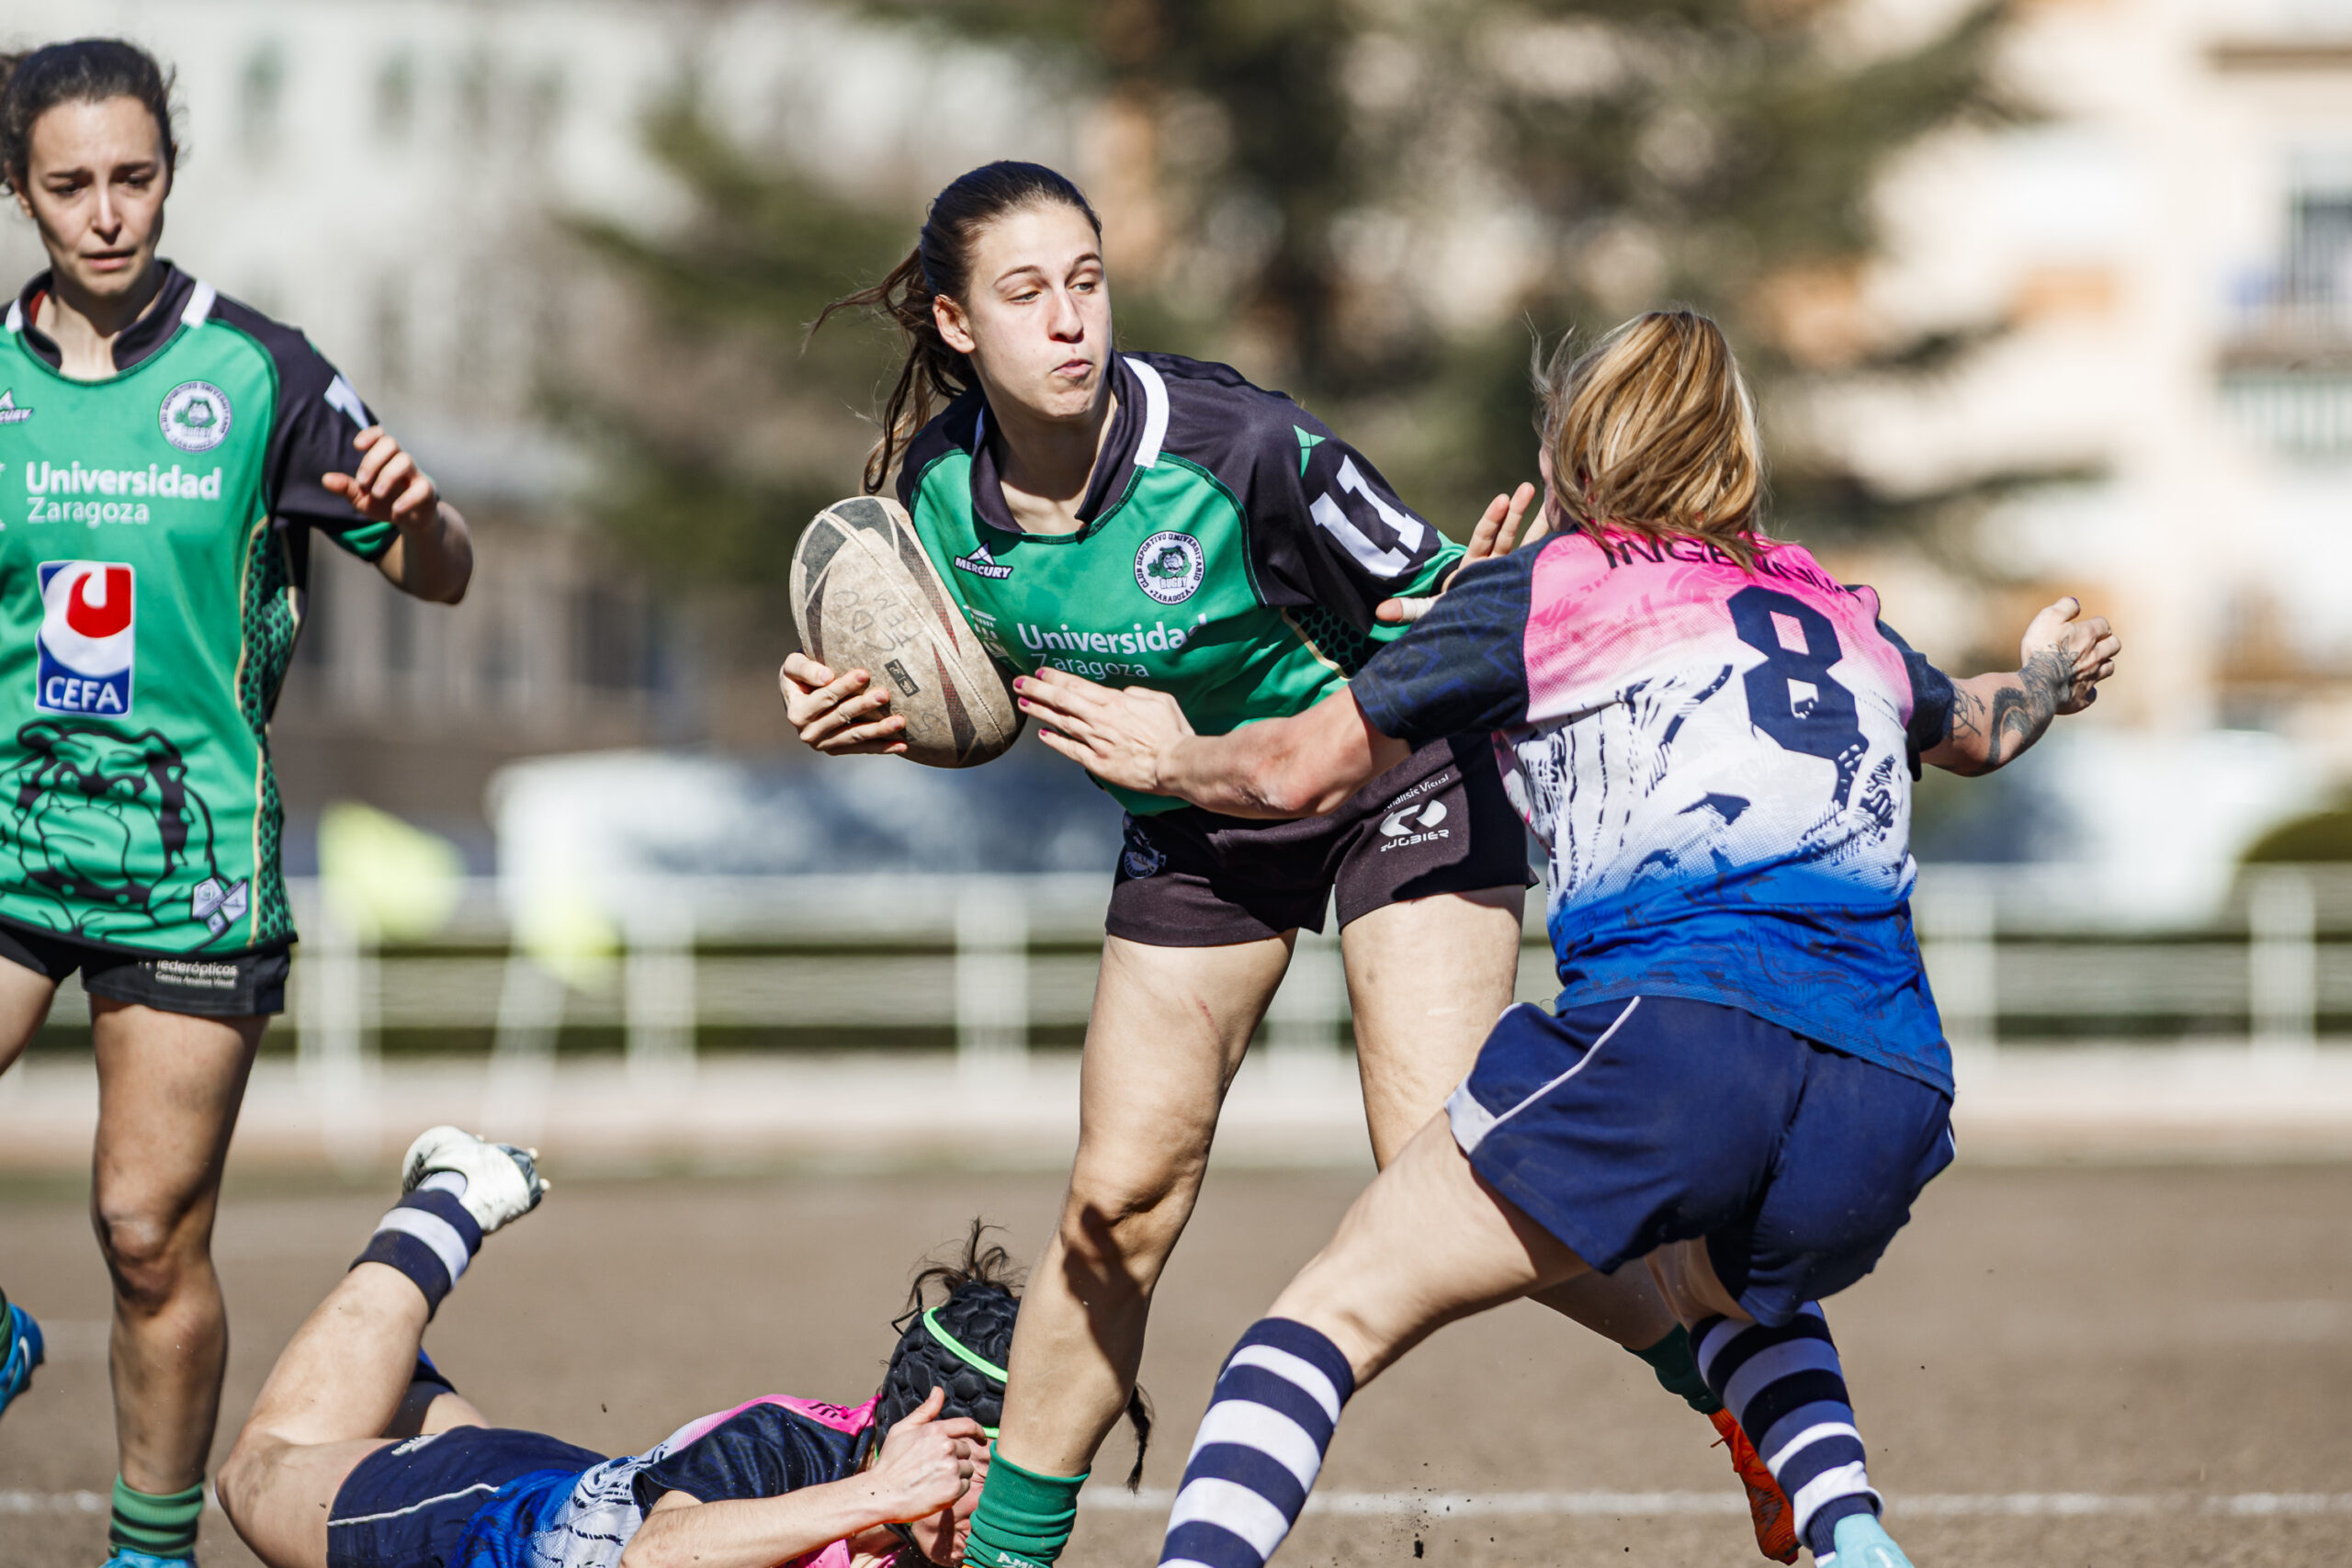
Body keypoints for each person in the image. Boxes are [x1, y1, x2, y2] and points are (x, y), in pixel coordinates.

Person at [790, 163, 1813, 1567]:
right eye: (1027, 294)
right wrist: (889, 723)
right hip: (1203, 816)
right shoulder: (938, 504)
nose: (1072, 320)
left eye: (1088, 280)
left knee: (1448, 1162)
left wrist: (1473, 597)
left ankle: (1731, 1363)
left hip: (1394, 773)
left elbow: (1447, 606)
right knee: (1117, 1196)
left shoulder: (1239, 443)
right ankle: (1009, 1555)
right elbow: (991, 699)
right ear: (959, 325)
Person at [1013, 310, 2122, 1568]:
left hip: (1687, 1037)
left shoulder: (1551, 586)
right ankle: (1853, 1531)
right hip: (1894, 1092)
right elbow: (1977, 723)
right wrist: (2047, 677)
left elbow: (1297, 771)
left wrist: (1173, 753)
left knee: (1318, 1319)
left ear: (1577, 456)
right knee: (1725, 1287)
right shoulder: (1833, 603)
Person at [0, 38, 473, 1568]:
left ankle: (148, 1549)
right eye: (69, 184)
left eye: (132, 177)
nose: (106, 212)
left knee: (147, 1238)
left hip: (186, 864)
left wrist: (418, 518)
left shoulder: (257, 371)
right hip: (9, 839)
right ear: (21, 192)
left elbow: (443, 573)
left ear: (169, 177)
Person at [214, 1125, 1114, 1568]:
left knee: (379, 1393)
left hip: (556, 1478)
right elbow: (654, 1557)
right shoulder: (791, 1443)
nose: (1010, 1516)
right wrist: (873, 1497)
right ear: (923, 1432)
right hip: (480, 1525)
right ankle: (450, 1203)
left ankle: (372, 1344)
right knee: (257, 1469)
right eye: (988, 1467)